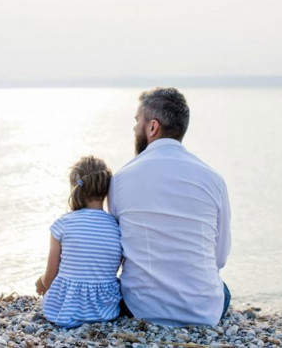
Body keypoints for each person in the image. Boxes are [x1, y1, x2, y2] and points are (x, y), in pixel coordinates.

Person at [108, 87, 232, 327]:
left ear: (152, 127)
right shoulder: (213, 179)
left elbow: (116, 254)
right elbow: (220, 257)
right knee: (222, 289)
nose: (134, 128)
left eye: (137, 121)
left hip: (139, 308)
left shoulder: (121, 179)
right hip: (203, 310)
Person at [35, 155, 122, 328]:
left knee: (45, 283)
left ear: (75, 187)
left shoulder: (63, 224)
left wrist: (41, 283)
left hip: (64, 310)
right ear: (106, 189)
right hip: (105, 310)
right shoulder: (117, 226)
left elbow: (50, 276)